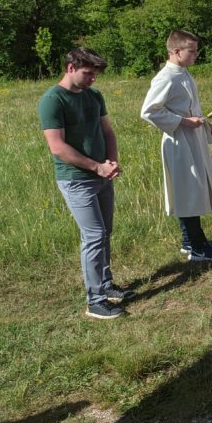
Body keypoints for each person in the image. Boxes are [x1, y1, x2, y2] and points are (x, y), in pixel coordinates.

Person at [38, 48, 133, 319]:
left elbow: (107, 132)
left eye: (96, 74)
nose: (93, 79)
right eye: (88, 73)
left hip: (102, 176)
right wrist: (96, 166)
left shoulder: (94, 96)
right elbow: (57, 147)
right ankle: (95, 301)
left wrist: (111, 162)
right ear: (70, 68)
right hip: (76, 180)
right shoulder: (53, 100)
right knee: (93, 236)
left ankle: (106, 284)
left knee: (105, 232)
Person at [140, 30, 212, 262]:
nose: (196, 55)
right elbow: (148, 110)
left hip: (191, 138)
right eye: (192, 51)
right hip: (179, 142)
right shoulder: (166, 77)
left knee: (193, 189)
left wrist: (207, 126)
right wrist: (184, 122)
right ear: (176, 51)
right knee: (188, 191)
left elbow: (189, 107)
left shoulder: (183, 73)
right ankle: (197, 247)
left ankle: (190, 241)